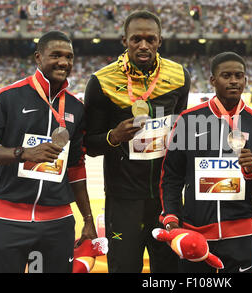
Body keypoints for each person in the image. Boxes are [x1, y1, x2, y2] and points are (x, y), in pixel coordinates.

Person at [0, 30, 97, 273]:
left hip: (58, 223)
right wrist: (22, 154)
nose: (64, 62)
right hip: (9, 220)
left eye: (69, 57)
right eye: (56, 55)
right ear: (38, 58)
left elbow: (76, 167)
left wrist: (88, 220)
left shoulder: (75, 107)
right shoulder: (8, 97)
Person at [83, 10, 191, 273]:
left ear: (159, 41)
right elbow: (89, 145)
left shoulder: (180, 76)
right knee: (124, 267)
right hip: (123, 198)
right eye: (136, 39)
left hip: (166, 197)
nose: (143, 45)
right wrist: (113, 136)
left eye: (150, 39)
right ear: (124, 41)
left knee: (168, 270)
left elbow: (180, 135)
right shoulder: (101, 81)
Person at [159, 52, 252, 273]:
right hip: (195, 234)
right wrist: (171, 216)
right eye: (226, 75)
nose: (234, 81)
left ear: (245, 80)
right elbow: (171, 177)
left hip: (239, 237)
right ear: (213, 80)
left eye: (239, 76)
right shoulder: (188, 120)